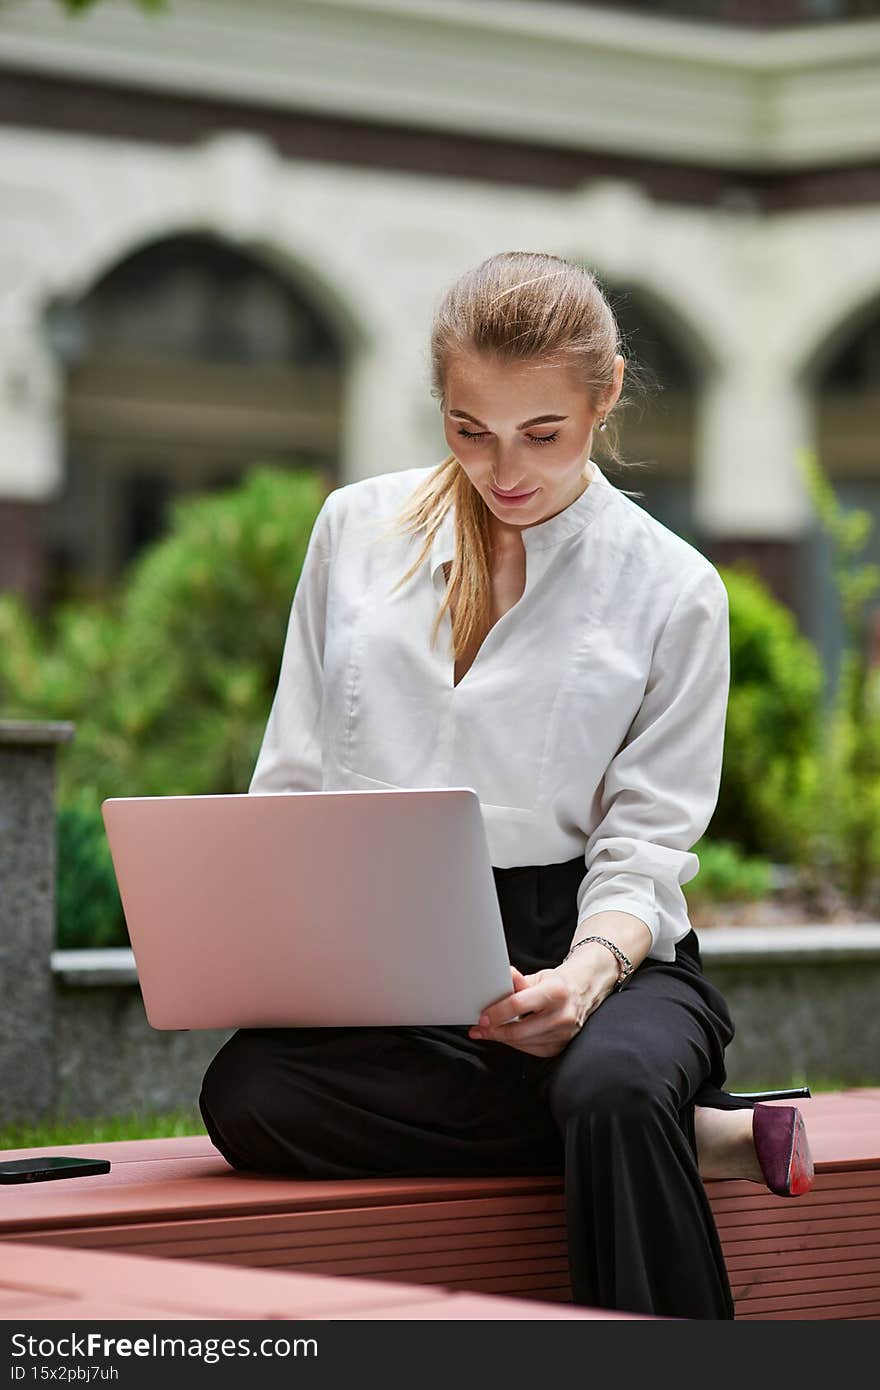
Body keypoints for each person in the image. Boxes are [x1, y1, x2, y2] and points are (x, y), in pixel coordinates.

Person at [198, 250, 814, 1320]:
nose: (504, 468)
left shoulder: (673, 589)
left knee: (611, 1083)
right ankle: (685, 1127)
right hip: (396, 942)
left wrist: (579, 980)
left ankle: (632, 1119)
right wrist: (272, 938)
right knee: (249, 1094)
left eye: (544, 432)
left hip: (598, 941)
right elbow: (291, 779)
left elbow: (646, 843)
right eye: (468, 429)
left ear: (605, 394)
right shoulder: (355, 529)